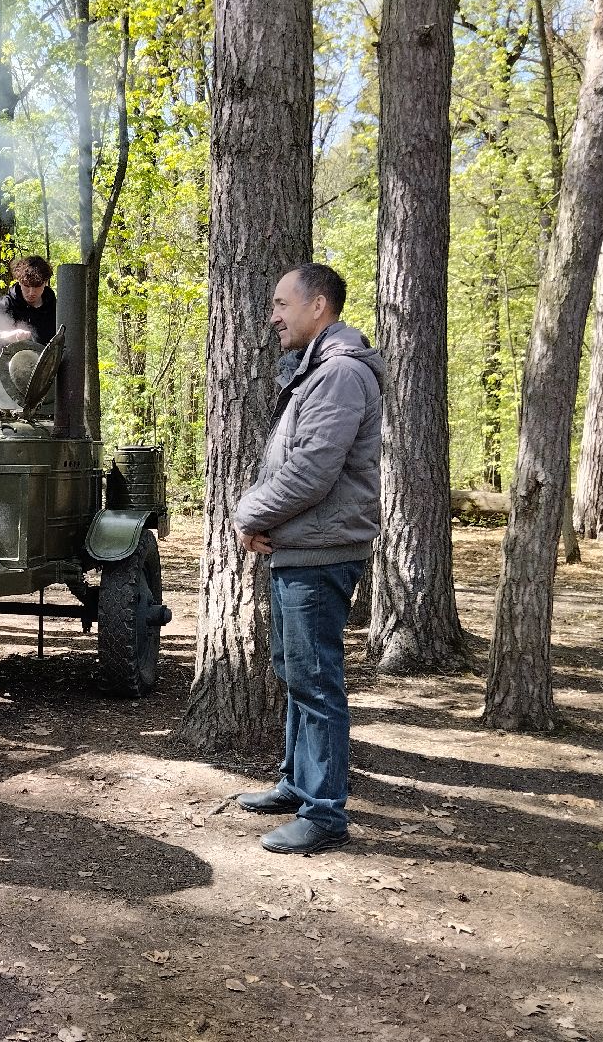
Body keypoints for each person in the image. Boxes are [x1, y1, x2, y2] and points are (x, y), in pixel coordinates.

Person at [232, 263, 385, 856]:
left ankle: (324, 813)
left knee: (317, 681)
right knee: (297, 672)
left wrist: (250, 514)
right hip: (301, 547)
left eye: (280, 304)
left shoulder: (340, 374)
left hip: (319, 552)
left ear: (317, 306)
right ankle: (299, 784)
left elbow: (313, 471)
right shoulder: (318, 370)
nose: (273, 316)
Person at [0, 255, 57, 345]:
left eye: (37, 286)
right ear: (19, 282)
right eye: (27, 286)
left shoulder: (55, 307)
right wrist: (5, 335)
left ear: (46, 282)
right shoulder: (5, 304)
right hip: (11, 358)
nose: (31, 292)